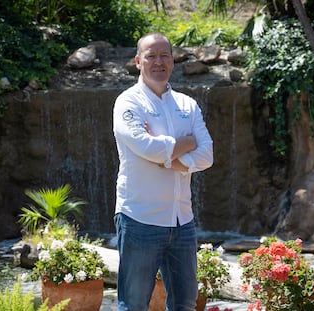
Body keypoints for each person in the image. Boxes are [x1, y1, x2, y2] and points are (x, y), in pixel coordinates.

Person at [112, 32, 213, 311]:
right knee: (133, 305)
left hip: (182, 222)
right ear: (138, 61)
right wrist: (186, 144)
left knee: (185, 305)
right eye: (151, 56)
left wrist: (169, 157)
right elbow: (146, 147)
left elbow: (207, 155)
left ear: (173, 60)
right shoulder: (128, 103)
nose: (159, 62)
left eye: (164, 55)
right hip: (139, 219)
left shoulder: (186, 105)